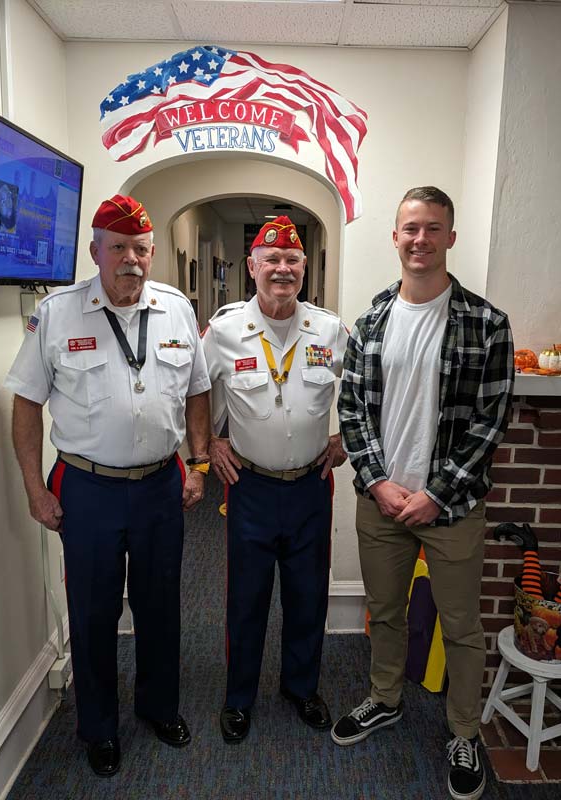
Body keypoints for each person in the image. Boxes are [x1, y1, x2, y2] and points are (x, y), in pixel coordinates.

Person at [5, 195, 211, 777]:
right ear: (94, 250)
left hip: (158, 486)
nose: (132, 260)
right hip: (87, 489)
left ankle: (158, 707)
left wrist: (197, 465)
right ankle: (99, 728)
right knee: (92, 612)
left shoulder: (175, 308)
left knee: (160, 604)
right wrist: (33, 488)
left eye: (141, 249)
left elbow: (198, 389)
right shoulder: (58, 313)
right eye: (118, 248)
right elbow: (25, 404)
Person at [335, 187, 514, 800]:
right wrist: (380, 482)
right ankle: (385, 697)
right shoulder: (371, 321)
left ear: (449, 238)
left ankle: (463, 731)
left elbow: (490, 423)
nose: (420, 239)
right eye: (410, 227)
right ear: (395, 236)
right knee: (384, 613)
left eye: (432, 229)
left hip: (452, 508)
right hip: (380, 503)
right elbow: (352, 409)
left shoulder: (487, 324)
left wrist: (435, 494)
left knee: (462, 626)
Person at [203, 216, 349, 743]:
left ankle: (301, 688)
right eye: (272, 260)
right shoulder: (223, 330)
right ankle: (239, 698)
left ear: (304, 268)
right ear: (252, 267)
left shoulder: (330, 329)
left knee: (308, 595)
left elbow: (358, 388)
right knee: (247, 598)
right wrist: (209, 444)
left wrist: (348, 438)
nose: (282, 270)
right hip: (252, 488)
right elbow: (196, 390)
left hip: (311, 487)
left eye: (292, 261)